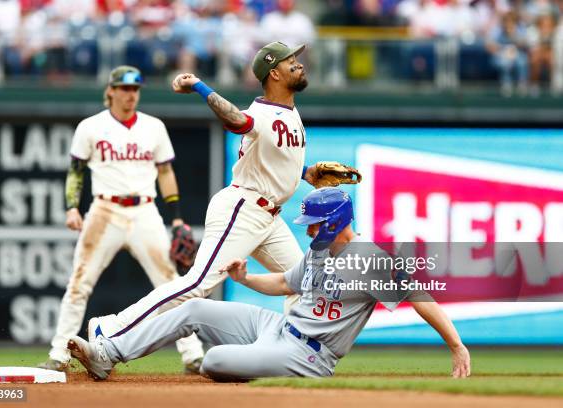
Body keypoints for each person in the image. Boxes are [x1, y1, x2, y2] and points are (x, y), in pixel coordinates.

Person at [67, 188, 471, 381]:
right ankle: (109, 352)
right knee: (192, 309)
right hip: (274, 327)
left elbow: (419, 296)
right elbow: (282, 282)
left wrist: (456, 346)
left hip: (309, 355)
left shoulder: (368, 258)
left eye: (313, 223)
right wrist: (244, 278)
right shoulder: (319, 250)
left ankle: (257, 360)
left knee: (215, 361)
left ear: (332, 222)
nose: (308, 229)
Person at [84, 41, 328, 347]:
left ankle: (292, 349)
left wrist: (308, 174)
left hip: (270, 218)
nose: (299, 64)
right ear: (274, 74)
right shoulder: (262, 112)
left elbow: (273, 156)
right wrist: (200, 86)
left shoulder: (289, 112)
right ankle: (108, 328)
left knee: (302, 282)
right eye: (290, 61)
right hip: (244, 208)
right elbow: (237, 121)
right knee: (197, 284)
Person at [38, 65, 204, 374]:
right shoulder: (90, 126)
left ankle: (193, 355)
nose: (131, 95)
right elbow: (76, 171)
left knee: (171, 284)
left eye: (135, 89)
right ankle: (59, 354)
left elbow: (166, 173)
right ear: (111, 91)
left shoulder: (153, 127)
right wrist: (71, 207)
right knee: (79, 283)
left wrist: (178, 217)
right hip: (104, 211)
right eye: (125, 88)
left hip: (145, 210)